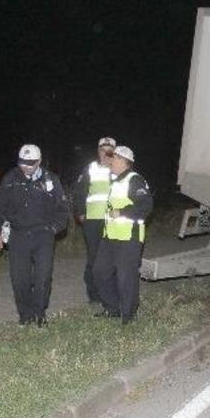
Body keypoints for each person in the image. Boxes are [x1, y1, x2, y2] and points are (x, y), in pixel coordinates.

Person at [0, 144, 69, 326]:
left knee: (43, 277)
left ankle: (40, 313)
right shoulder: (11, 178)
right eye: (22, 162)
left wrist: (54, 228)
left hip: (43, 235)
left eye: (30, 163)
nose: (26, 166)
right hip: (18, 234)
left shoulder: (51, 179)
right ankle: (25, 314)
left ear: (39, 161)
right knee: (20, 278)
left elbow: (62, 209)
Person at [93, 146, 153, 324]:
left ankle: (128, 315)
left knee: (126, 277)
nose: (110, 161)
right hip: (110, 237)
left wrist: (121, 212)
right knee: (100, 272)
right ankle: (113, 308)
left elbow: (146, 206)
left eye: (113, 158)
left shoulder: (134, 180)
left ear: (124, 161)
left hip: (129, 238)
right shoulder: (115, 181)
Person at [72, 137, 116, 302]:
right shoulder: (90, 168)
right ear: (98, 151)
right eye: (101, 150)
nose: (105, 154)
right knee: (94, 258)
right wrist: (80, 212)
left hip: (114, 221)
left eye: (108, 150)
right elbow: (79, 192)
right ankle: (94, 295)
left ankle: (111, 293)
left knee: (112, 258)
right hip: (93, 220)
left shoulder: (119, 169)